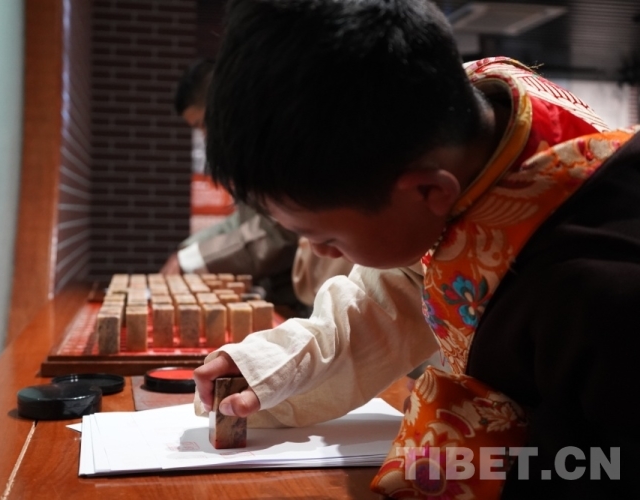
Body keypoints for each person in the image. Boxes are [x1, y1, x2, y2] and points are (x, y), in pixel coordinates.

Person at [193, 0, 638, 497]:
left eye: (327, 237)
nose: (318, 252)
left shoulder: (600, 282)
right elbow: (396, 293)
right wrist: (274, 365)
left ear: (429, 192)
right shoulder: (461, 124)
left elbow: (606, 464)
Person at [162, 59, 302, 311]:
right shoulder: (249, 148)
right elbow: (246, 220)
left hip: (305, 296)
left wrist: (192, 259)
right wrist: (188, 251)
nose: (205, 136)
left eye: (203, 124)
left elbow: (283, 229)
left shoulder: (278, 139)